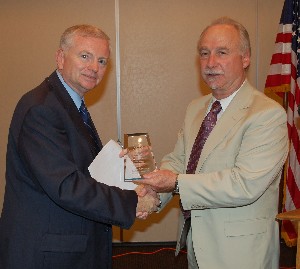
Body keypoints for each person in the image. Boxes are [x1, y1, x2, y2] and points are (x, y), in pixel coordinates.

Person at [0, 24, 159, 269]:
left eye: (102, 61)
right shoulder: (41, 108)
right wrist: (130, 202)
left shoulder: (68, 105)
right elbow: (65, 185)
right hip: (48, 256)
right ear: (60, 58)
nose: (94, 67)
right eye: (85, 56)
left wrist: (130, 176)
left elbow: (86, 173)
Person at [139, 17, 289, 269]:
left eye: (222, 52)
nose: (210, 63)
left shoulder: (266, 114)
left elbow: (244, 184)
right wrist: (150, 193)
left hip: (241, 254)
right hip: (197, 247)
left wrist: (174, 183)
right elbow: (179, 161)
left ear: (245, 58)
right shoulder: (195, 108)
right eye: (204, 53)